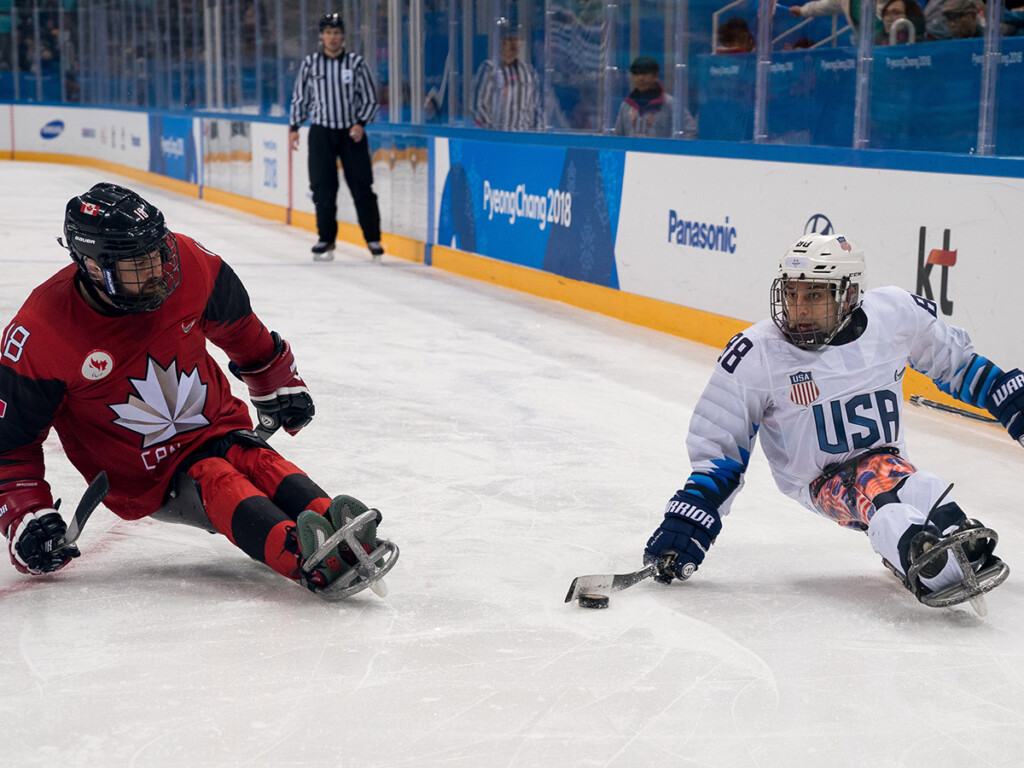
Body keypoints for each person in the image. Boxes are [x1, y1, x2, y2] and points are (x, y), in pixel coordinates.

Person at [0, 183, 397, 599]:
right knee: (217, 477)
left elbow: (241, 328)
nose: (157, 271)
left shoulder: (189, 262)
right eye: (138, 264)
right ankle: (303, 556)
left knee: (256, 458)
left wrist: (275, 380)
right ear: (94, 267)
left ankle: (335, 522)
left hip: (216, 423)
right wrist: (26, 515)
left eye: (158, 253)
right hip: (148, 472)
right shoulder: (41, 332)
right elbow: (10, 445)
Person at [643, 233, 1016, 613]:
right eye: (792, 294)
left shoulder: (896, 315)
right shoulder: (757, 353)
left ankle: (956, 535)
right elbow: (720, 446)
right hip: (820, 478)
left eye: (814, 296)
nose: (798, 308)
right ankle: (926, 558)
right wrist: (690, 519)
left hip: (888, 460)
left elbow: (958, 365)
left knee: (925, 485)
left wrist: (1010, 397)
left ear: (849, 296)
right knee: (886, 508)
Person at [289, 13, 384, 261]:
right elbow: (301, 97)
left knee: (362, 186)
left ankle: (373, 239)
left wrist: (361, 123)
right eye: (328, 32)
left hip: (351, 133)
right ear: (321, 36)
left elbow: (371, 98)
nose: (332, 37)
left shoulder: (356, 63)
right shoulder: (310, 64)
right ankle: (326, 238)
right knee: (323, 189)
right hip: (321, 132)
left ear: (343, 36)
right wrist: (294, 127)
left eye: (337, 32)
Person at [472, 22, 541, 131]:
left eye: (514, 41)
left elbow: (537, 110)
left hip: (523, 140)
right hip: (495, 139)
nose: (510, 46)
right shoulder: (488, 69)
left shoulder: (529, 72)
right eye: (506, 41)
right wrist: (494, 132)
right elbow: (477, 107)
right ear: (499, 43)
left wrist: (535, 138)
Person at [613, 56, 697, 140]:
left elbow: (690, 132)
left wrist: (672, 150)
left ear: (655, 76)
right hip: (630, 153)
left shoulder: (670, 104)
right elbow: (618, 135)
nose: (641, 78)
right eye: (636, 73)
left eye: (645, 73)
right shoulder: (626, 105)